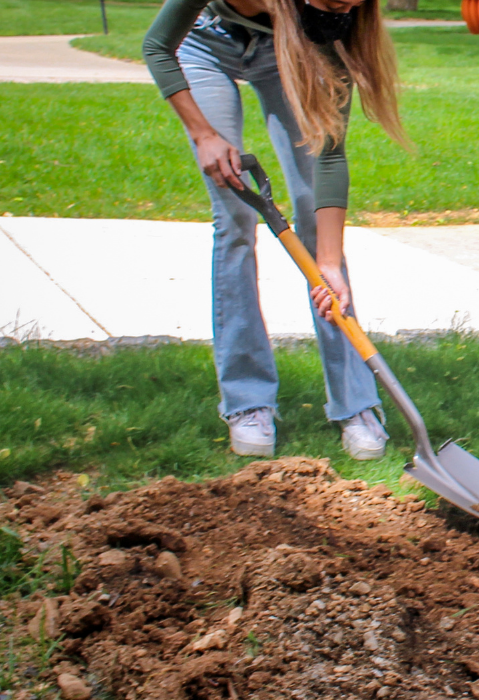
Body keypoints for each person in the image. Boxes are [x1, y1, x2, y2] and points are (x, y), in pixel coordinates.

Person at [144, 0, 407, 460]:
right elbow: (157, 46)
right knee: (235, 218)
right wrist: (204, 134)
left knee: (313, 215)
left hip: (292, 44)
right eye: (331, 1)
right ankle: (248, 402)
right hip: (205, 42)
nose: (342, 9)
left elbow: (329, 154)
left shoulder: (331, 23)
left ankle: (357, 403)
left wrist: (327, 262)